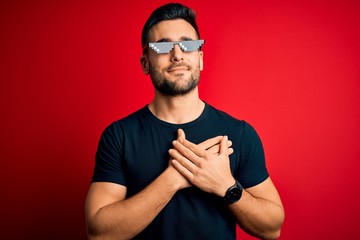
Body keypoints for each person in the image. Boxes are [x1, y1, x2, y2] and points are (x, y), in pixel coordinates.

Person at [85, 3, 284, 240]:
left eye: (187, 44)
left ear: (199, 58)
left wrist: (226, 186)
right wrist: (173, 179)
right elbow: (99, 233)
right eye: (163, 46)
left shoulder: (239, 133)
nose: (177, 54)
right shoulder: (119, 136)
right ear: (145, 63)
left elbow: (272, 228)